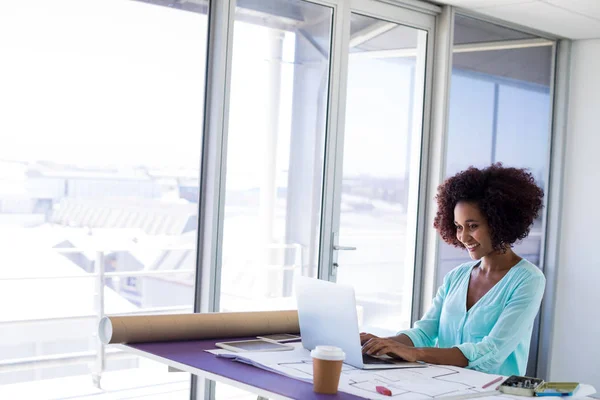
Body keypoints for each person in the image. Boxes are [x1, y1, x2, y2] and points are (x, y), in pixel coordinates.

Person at [361, 163, 546, 376]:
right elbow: (424, 333)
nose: (463, 237)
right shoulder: (457, 276)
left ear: (499, 223)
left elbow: (491, 352)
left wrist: (416, 353)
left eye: (473, 226)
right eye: (458, 227)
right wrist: (378, 344)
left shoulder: (528, 280)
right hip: (444, 388)